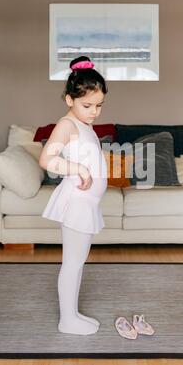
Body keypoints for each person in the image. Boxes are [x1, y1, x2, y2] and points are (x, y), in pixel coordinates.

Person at [39, 56, 108, 335]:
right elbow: (47, 159)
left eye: (99, 105)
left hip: (87, 203)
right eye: (87, 105)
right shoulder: (67, 125)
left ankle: (73, 313)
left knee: (78, 263)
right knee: (72, 263)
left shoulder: (84, 125)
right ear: (69, 100)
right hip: (77, 202)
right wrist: (76, 167)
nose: (94, 112)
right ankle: (67, 320)